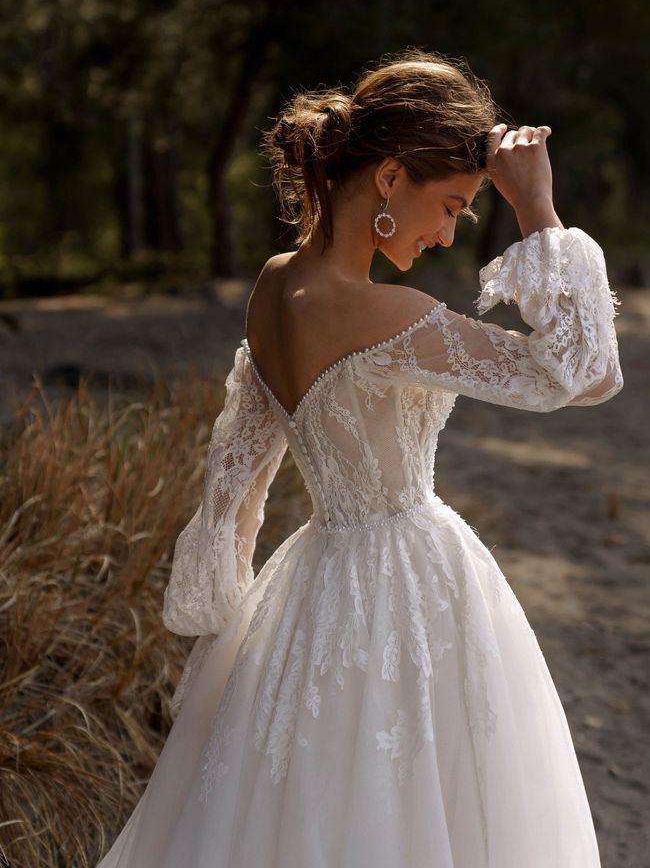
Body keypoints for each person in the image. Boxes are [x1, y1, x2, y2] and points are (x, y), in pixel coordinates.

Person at [97, 49, 623, 867]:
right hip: (412, 587)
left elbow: (239, 480)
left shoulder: (274, 288)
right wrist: (539, 209)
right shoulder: (390, 316)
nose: (449, 232)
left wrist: (228, 646)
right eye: (449, 205)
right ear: (387, 178)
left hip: (306, 592)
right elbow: (586, 373)